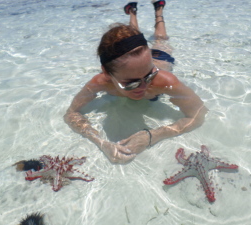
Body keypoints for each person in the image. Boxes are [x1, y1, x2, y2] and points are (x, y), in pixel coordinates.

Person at [64, 0, 208, 164]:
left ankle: (158, 10)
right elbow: (70, 114)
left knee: (161, 40)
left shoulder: (164, 80)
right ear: (106, 73)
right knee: (143, 37)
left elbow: (199, 114)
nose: (144, 86)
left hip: (160, 57)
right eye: (131, 83)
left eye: (149, 76)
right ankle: (132, 11)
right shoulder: (100, 82)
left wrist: (152, 135)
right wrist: (101, 143)